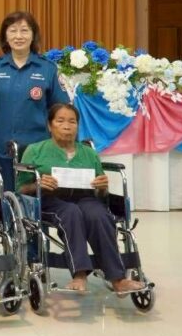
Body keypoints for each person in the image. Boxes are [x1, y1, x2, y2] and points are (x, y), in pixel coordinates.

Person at [19, 103, 144, 295]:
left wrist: (103, 187)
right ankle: (79, 274)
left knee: (99, 215)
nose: (67, 126)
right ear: (50, 125)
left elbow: (101, 193)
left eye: (72, 122)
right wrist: (38, 184)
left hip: (85, 198)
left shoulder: (88, 153)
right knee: (71, 213)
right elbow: (21, 188)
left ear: (78, 126)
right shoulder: (35, 150)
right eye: (60, 121)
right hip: (50, 199)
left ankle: (118, 278)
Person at [0, 10, 69, 188]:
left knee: (35, 195)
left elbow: (60, 110)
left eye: (24, 30)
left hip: (38, 149)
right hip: (1, 147)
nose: (18, 36)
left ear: (33, 35)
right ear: (5, 36)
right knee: (5, 196)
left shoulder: (48, 69)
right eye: (13, 30)